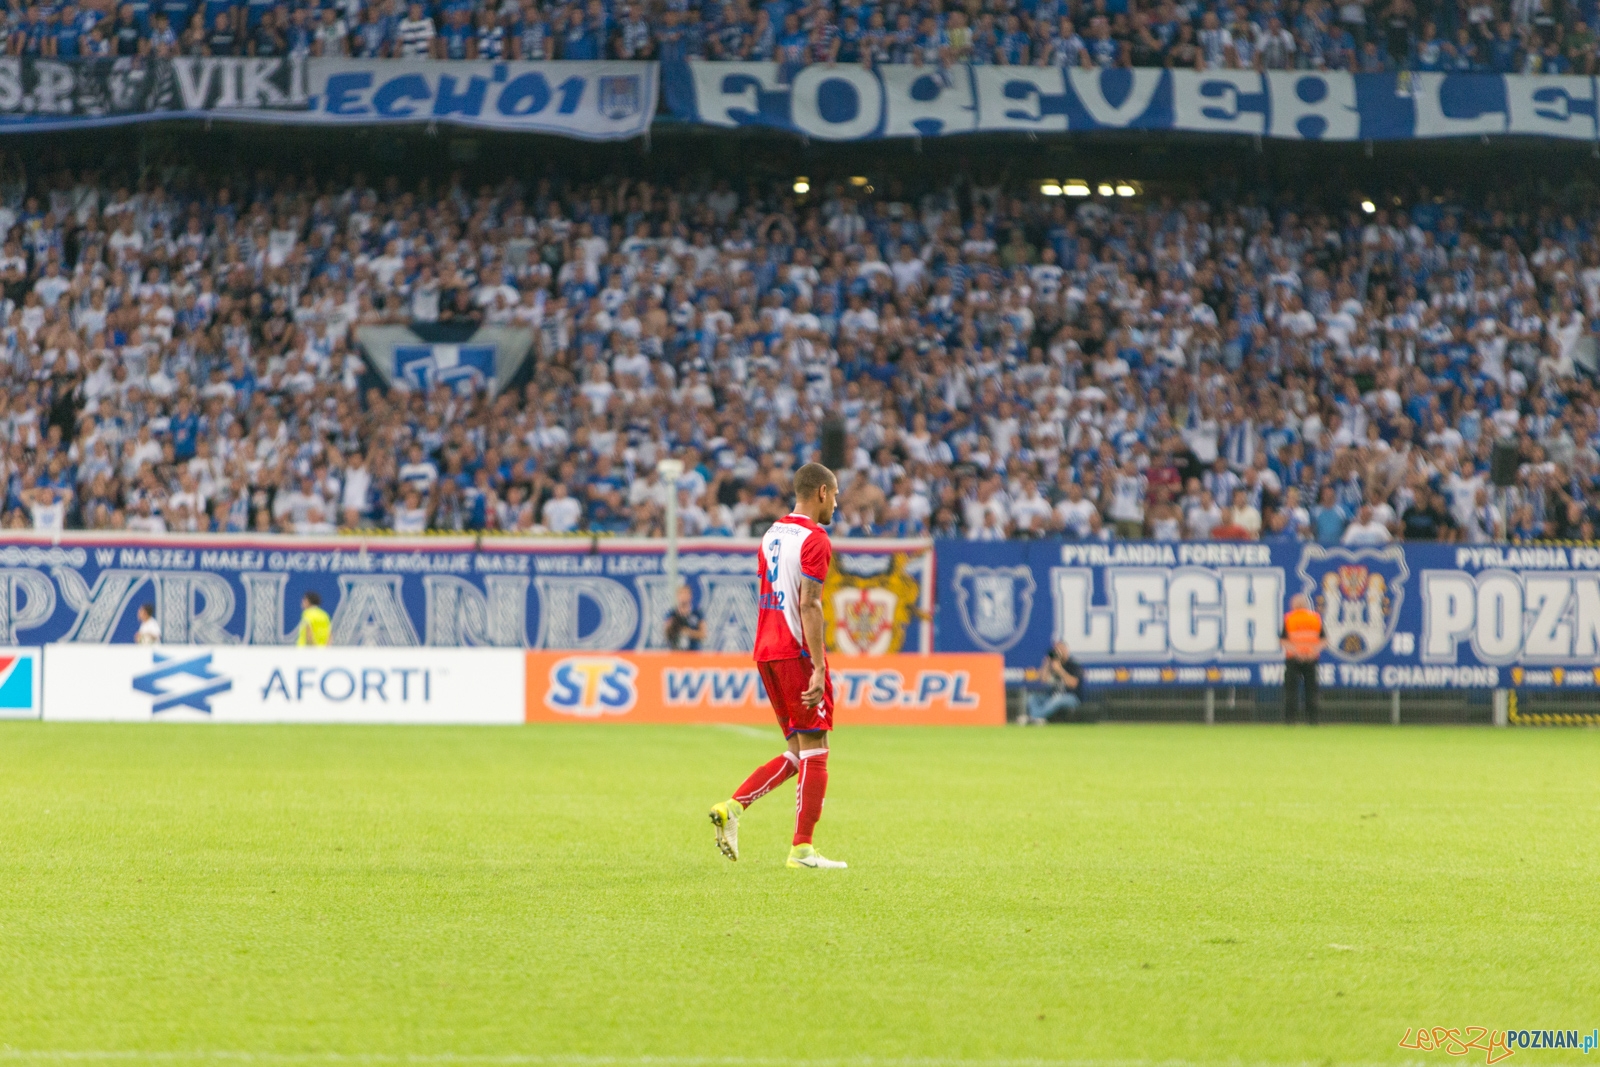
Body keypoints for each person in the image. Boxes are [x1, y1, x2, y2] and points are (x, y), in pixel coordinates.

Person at [709, 462, 846, 870]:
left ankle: (733, 807)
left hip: (766, 651)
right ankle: (802, 850)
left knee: (797, 750)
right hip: (795, 652)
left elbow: (772, 589)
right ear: (822, 492)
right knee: (816, 748)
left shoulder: (771, 533)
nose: (836, 505)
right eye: (835, 496)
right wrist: (818, 667)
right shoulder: (815, 538)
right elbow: (809, 603)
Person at [1280, 593, 1325, 725]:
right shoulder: (1315, 618)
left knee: (1291, 691)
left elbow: (1283, 640)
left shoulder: (1289, 618)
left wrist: (1296, 653)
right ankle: (1312, 720)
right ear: (1305, 604)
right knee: (1311, 690)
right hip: (1311, 659)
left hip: (1293, 659)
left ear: (1294, 605)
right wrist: (1313, 652)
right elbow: (1324, 640)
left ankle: (1290, 720)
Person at [1026, 641, 1084, 724]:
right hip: (1052, 696)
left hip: (1072, 697)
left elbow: (1073, 684)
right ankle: (1037, 718)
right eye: (1055, 650)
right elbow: (1043, 681)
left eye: (1059, 650)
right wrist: (1046, 664)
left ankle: (1035, 717)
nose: (1057, 652)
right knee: (1032, 698)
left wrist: (1060, 670)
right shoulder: (1052, 664)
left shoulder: (1073, 664)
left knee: (1057, 699)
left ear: (1065, 650)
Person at [664, 584, 705, 650]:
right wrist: (672, 628)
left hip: (693, 652)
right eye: (681, 593)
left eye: (686, 593)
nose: (683, 596)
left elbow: (703, 634)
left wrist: (689, 632)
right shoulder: (671, 614)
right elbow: (666, 633)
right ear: (677, 596)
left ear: (690, 596)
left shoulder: (697, 614)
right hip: (675, 652)